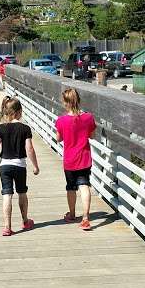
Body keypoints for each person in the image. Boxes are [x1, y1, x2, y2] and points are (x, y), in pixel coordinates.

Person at [0, 97, 39, 236]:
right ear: (19, 112)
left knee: (7, 195)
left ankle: (7, 227)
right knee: (22, 193)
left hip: (5, 166)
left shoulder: (1, 128)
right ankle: (25, 221)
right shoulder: (25, 128)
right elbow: (30, 149)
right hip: (20, 165)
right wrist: (35, 166)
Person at [54, 87, 97, 231]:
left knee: (71, 187)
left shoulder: (61, 120)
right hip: (84, 158)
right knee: (84, 185)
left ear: (65, 103)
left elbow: (58, 139)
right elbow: (92, 136)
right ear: (78, 100)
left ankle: (72, 214)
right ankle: (85, 218)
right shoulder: (88, 117)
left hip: (70, 160)